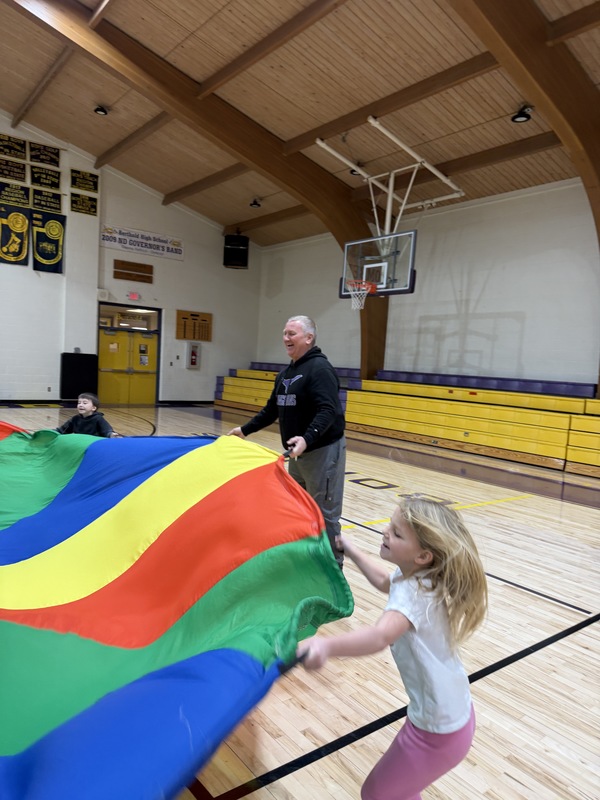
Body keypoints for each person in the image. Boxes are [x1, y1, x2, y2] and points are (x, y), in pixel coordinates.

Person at [298, 497, 488, 800]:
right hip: (447, 716)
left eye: (397, 533)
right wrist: (353, 551)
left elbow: (379, 636)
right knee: (394, 792)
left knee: (377, 793)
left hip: (438, 731)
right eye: (391, 525)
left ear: (424, 555)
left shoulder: (415, 595)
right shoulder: (420, 577)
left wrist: (325, 644)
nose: (386, 532)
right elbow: (386, 580)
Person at [228, 315, 346, 565]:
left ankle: (333, 567)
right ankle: (304, 560)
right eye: (284, 333)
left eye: (291, 333)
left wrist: (307, 438)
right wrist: (245, 430)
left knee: (324, 514)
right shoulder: (286, 374)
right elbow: (272, 409)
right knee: (298, 509)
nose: (285, 338)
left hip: (322, 452)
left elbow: (329, 411)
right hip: (298, 453)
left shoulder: (320, 369)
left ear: (308, 338)